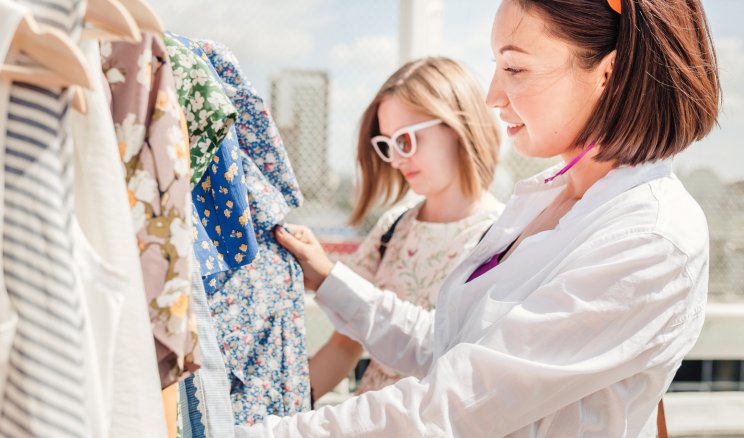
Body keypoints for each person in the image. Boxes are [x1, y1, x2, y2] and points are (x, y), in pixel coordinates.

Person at [238, 0, 721, 436]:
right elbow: (451, 349)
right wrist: (330, 279)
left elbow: (459, 402)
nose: (492, 95)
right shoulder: (546, 199)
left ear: (610, 75)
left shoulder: (651, 236)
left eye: (515, 67)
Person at [308, 57, 503, 403]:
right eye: (387, 145)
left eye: (407, 141)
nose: (396, 160)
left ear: (457, 126)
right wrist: (270, 419)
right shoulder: (392, 228)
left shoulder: (502, 239)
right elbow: (344, 343)